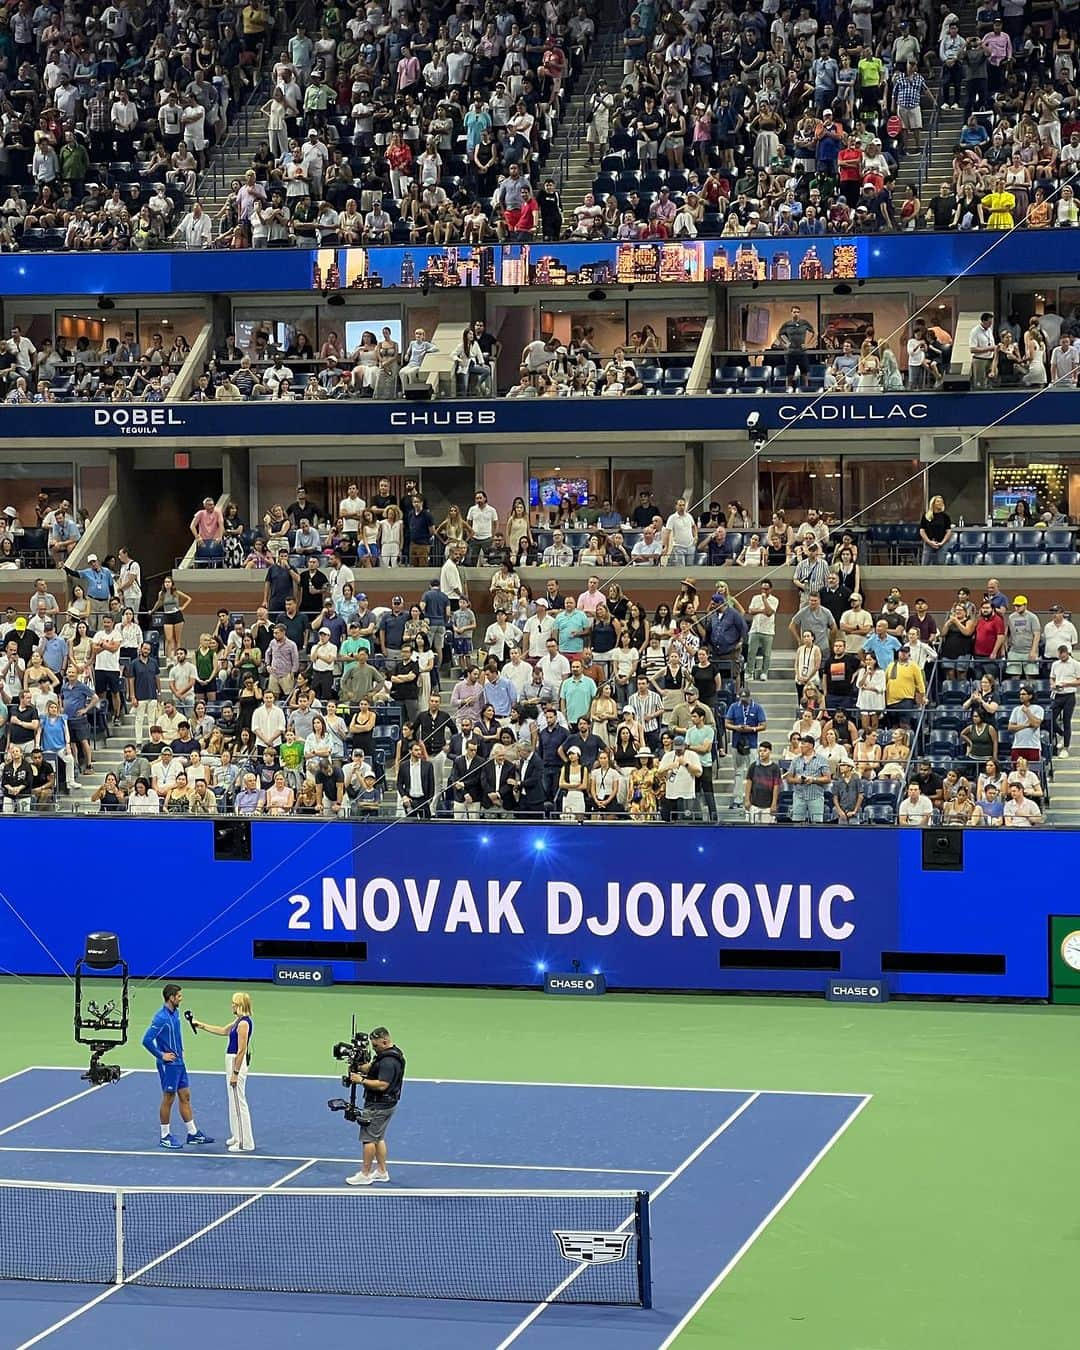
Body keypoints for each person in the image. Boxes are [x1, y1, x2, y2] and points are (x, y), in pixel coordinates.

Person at [141, 983, 213, 1149]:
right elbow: (146, 1040)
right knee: (169, 1098)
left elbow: (176, 1035)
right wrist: (161, 1055)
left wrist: (180, 1050)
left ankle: (192, 1133)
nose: (181, 998)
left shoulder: (176, 1014)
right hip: (169, 1064)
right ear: (171, 998)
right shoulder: (161, 1018)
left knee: (185, 1096)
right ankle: (165, 1136)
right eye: (179, 996)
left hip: (179, 1062)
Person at [191, 992, 255, 1152]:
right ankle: (237, 1136)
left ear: (240, 1004)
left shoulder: (244, 1024)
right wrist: (202, 1025)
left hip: (236, 1063)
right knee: (233, 1101)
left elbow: (242, 1050)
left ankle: (245, 1143)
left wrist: (235, 1072)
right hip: (232, 1061)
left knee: (239, 1102)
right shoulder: (238, 1021)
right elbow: (223, 1030)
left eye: (234, 1003)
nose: (231, 1005)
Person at [345, 1027, 406, 1185]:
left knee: (368, 1139)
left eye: (376, 1046)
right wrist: (359, 1067)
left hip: (379, 1105)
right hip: (386, 1104)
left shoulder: (388, 1062)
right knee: (378, 1138)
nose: (374, 1049)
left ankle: (364, 1175)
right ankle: (381, 1171)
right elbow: (372, 1068)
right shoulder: (391, 1054)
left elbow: (382, 1085)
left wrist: (361, 1080)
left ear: (385, 1042)